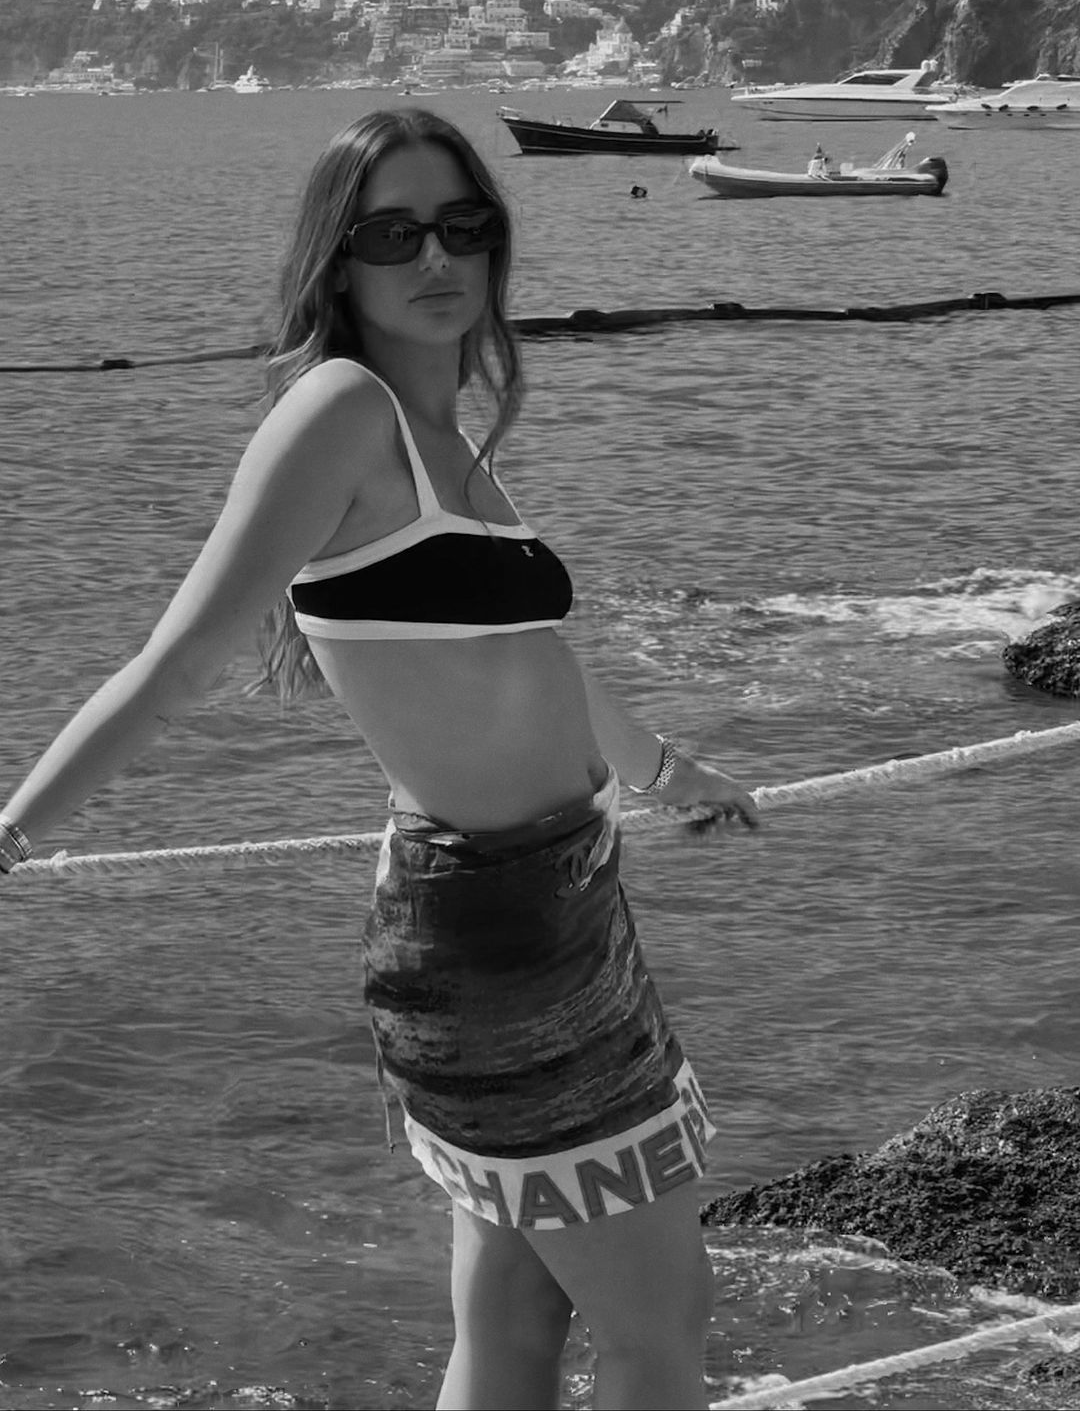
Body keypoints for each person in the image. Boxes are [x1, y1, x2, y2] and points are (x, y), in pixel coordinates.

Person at [0, 108, 760, 1411]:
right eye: (393, 234)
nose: (436, 257)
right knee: (660, 1322)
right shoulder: (343, 410)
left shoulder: (444, 437)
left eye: (462, 225)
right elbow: (178, 661)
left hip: (564, 906)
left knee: (516, 1315)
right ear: (337, 262)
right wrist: (11, 836)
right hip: (496, 943)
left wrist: (662, 770)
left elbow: (529, 652)